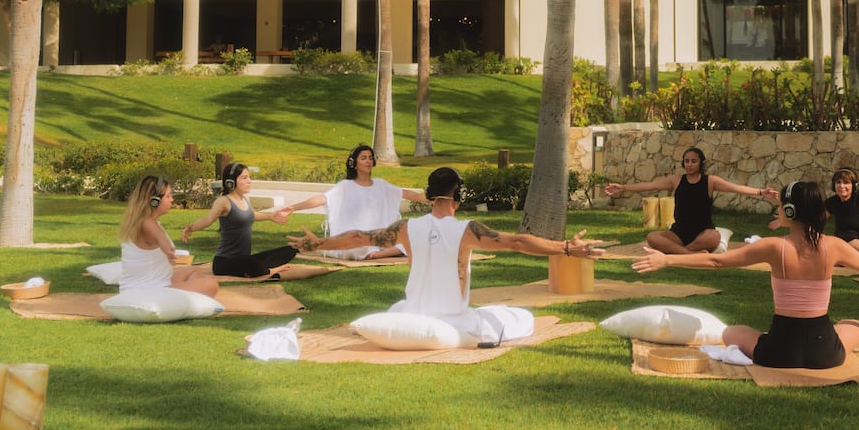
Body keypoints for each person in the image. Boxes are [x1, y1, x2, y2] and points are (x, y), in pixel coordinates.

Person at [632, 180, 859, 369]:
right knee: (852, 325)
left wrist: (667, 261)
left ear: (788, 212)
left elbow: (718, 263)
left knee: (733, 332)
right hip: (825, 353)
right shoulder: (835, 246)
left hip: (777, 353)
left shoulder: (773, 247)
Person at [296, 166, 605, 345]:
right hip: (454, 321)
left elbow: (357, 237)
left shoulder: (405, 228)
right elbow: (519, 242)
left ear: (431, 195)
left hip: (413, 314)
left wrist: (318, 245)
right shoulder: (467, 229)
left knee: (397, 308)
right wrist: (565, 248)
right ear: (457, 196)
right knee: (521, 318)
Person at [603, 147, 778, 254]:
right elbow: (650, 185)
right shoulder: (676, 180)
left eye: (693, 161)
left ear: (700, 163)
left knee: (714, 236)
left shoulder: (710, 181)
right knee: (652, 237)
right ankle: (690, 254)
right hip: (678, 233)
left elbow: (736, 188)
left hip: (703, 233)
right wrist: (624, 188)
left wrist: (761, 192)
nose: (689, 164)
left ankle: (680, 253)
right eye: (686, 161)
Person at [272, 145, 425, 259]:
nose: (368, 161)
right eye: (363, 158)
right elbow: (322, 199)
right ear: (355, 163)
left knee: (410, 238)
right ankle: (374, 254)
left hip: (378, 240)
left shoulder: (381, 185)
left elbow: (404, 193)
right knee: (354, 246)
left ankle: (377, 254)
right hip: (354, 241)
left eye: (371, 158)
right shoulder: (346, 186)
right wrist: (293, 207)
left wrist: (427, 199)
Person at [180, 162, 306, 280]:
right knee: (249, 262)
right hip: (224, 262)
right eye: (244, 178)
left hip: (243, 258)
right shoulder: (224, 201)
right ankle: (270, 271)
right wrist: (190, 228)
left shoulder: (245, 199)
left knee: (288, 250)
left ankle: (258, 269)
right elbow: (208, 219)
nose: (249, 181)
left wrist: (271, 216)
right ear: (231, 182)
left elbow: (252, 215)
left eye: (249, 177)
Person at [118, 174, 219, 297]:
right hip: (150, 289)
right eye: (168, 196)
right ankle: (191, 298)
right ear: (154, 201)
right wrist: (168, 250)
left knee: (194, 271)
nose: (172, 199)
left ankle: (191, 298)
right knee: (211, 284)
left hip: (153, 282)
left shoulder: (143, 220)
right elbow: (160, 238)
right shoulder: (147, 223)